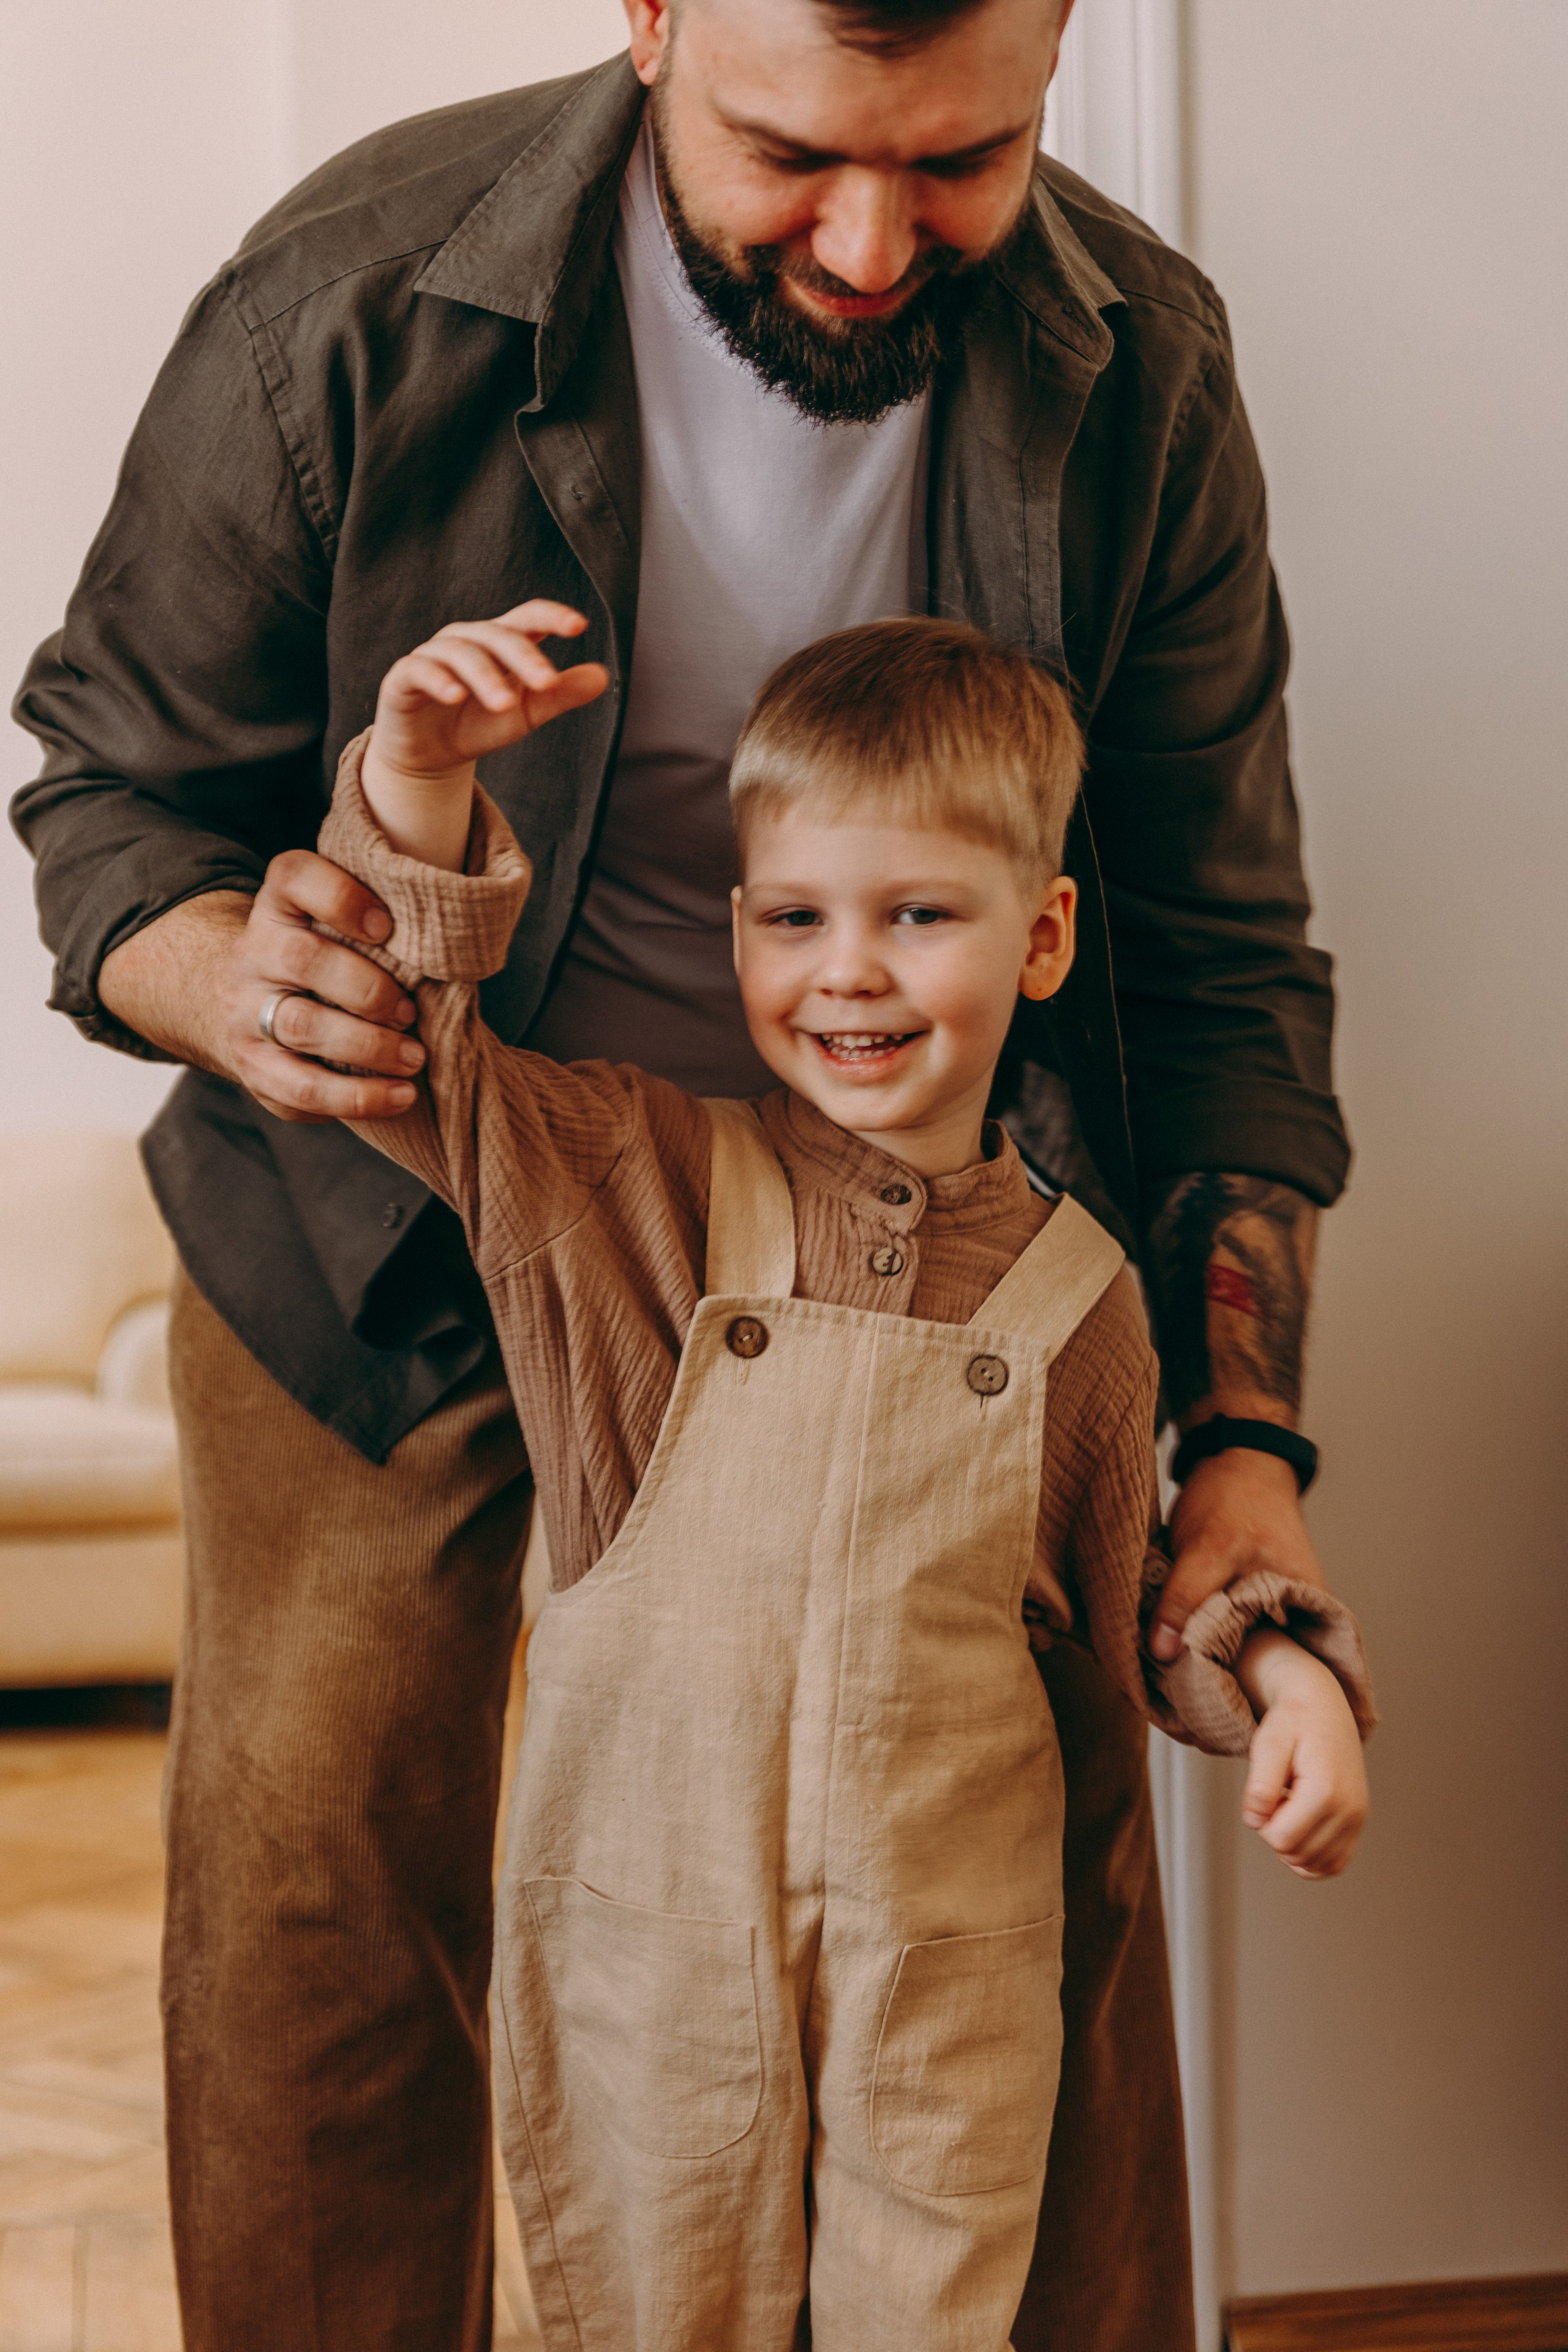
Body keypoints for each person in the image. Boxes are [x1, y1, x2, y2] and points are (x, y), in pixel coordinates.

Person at [9, 1, 1352, 2345]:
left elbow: (1224, 955)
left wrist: (1242, 1446)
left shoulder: (1138, 365)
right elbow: (112, 793)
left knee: (1037, 1878)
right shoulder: (347, 290)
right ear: (645, 16)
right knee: (325, 1903)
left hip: (935, 1253)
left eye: (963, 162)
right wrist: (224, 982)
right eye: (795, 153)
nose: (868, 241)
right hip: (390, 1214)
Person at [320, 601, 1371, 2351]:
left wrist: (1282, 1679)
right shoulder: (624, 1187)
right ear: (738, 931)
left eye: (918, 917)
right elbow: (414, 1056)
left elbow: (1143, 1607)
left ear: (1039, 940)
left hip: (940, 1987)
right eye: (796, 918)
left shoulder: (1082, 1305)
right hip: (656, 1959)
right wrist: (419, 778)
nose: (849, 971)